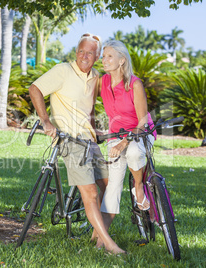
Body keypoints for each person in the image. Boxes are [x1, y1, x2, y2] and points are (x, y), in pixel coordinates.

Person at [29, 33, 125, 254]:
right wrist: (45, 121)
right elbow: (35, 89)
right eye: (81, 51)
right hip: (69, 140)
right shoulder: (63, 70)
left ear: (97, 56)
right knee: (90, 193)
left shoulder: (95, 76)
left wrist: (93, 127)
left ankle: (98, 234)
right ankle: (109, 244)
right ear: (76, 52)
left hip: (89, 140)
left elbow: (89, 107)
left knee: (110, 186)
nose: (84, 56)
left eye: (90, 52)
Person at [97, 40, 157, 247]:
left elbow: (142, 121)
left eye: (109, 56)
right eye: (103, 56)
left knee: (132, 152)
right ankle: (101, 241)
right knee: (113, 185)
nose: (104, 60)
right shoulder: (103, 82)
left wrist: (123, 143)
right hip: (115, 136)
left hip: (140, 133)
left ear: (122, 60)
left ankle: (138, 187)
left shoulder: (135, 84)